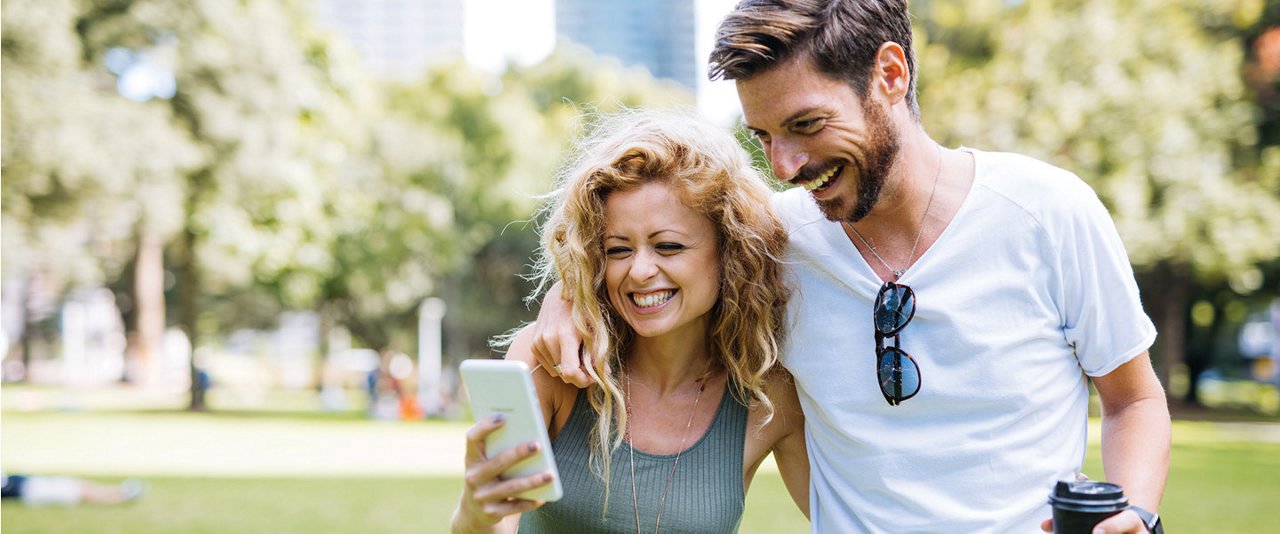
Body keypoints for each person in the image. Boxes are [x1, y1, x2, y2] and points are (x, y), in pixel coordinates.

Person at [528, 1, 1171, 532]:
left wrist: (1137, 512)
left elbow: (1133, 400)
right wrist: (565, 299)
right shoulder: (774, 243)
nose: (783, 165)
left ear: (890, 75)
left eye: (807, 124)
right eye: (764, 136)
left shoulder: (1048, 213)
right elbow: (650, 260)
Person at [450, 110, 809, 533]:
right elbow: (494, 521)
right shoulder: (551, 360)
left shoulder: (771, 397)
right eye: (618, 250)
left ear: (731, 251)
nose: (639, 272)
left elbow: (849, 518)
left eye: (668, 246)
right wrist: (475, 513)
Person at [1, 471, 145, 506]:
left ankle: (119, 489)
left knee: (77, 483)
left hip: (30, 482)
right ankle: (123, 497)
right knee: (79, 492)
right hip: (31, 490)